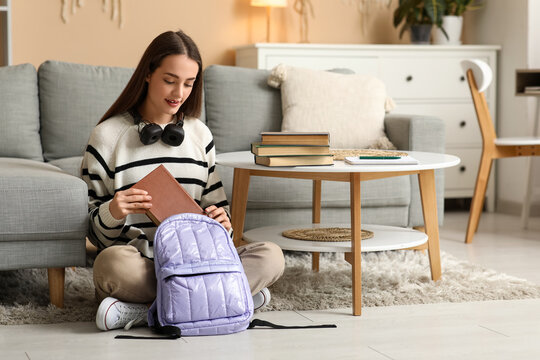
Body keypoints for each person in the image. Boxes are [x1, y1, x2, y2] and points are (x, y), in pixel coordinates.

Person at [81, 29, 285, 331]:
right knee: (110, 265)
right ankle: (223, 298)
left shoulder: (200, 135)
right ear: (148, 74)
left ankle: (143, 310)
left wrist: (222, 222)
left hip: (197, 262)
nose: (179, 93)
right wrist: (115, 210)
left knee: (272, 256)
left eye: (189, 84)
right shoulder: (107, 136)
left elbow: (219, 214)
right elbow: (93, 236)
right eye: (170, 80)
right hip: (142, 263)